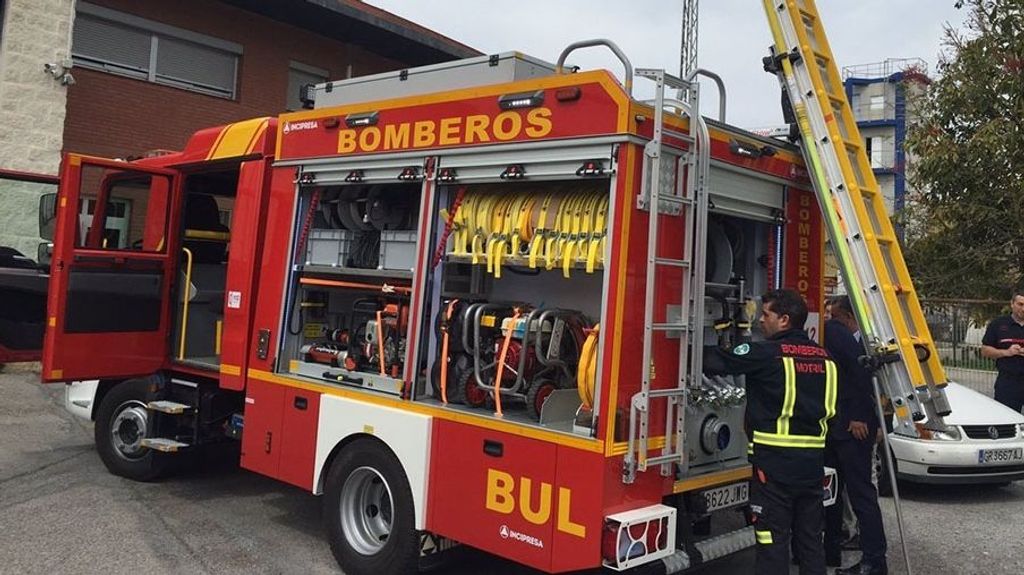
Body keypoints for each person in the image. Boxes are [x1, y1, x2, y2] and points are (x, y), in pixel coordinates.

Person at [705, 289, 837, 575]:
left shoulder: (766, 353)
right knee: (810, 541)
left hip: (774, 468)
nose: (761, 322)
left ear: (784, 320)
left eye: (766, 315)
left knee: (772, 541)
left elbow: (718, 361)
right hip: (812, 466)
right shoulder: (826, 358)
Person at [823, 296, 888, 575]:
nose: (829, 318)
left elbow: (860, 373)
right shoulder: (846, 334)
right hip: (840, 425)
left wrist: (859, 416)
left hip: (849, 427)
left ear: (848, 317)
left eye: (833, 314)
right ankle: (835, 551)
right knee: (836, 492)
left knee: (857, 494)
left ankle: (873, 560)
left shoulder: (839, 333)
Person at [981, 290, 1024, 413]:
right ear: (1012, 304)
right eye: (1020, 304)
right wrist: (1007, 352)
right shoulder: (998, 324)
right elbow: (985, 351)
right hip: (1008, 382)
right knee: (1007, 420)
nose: (1023, 308)